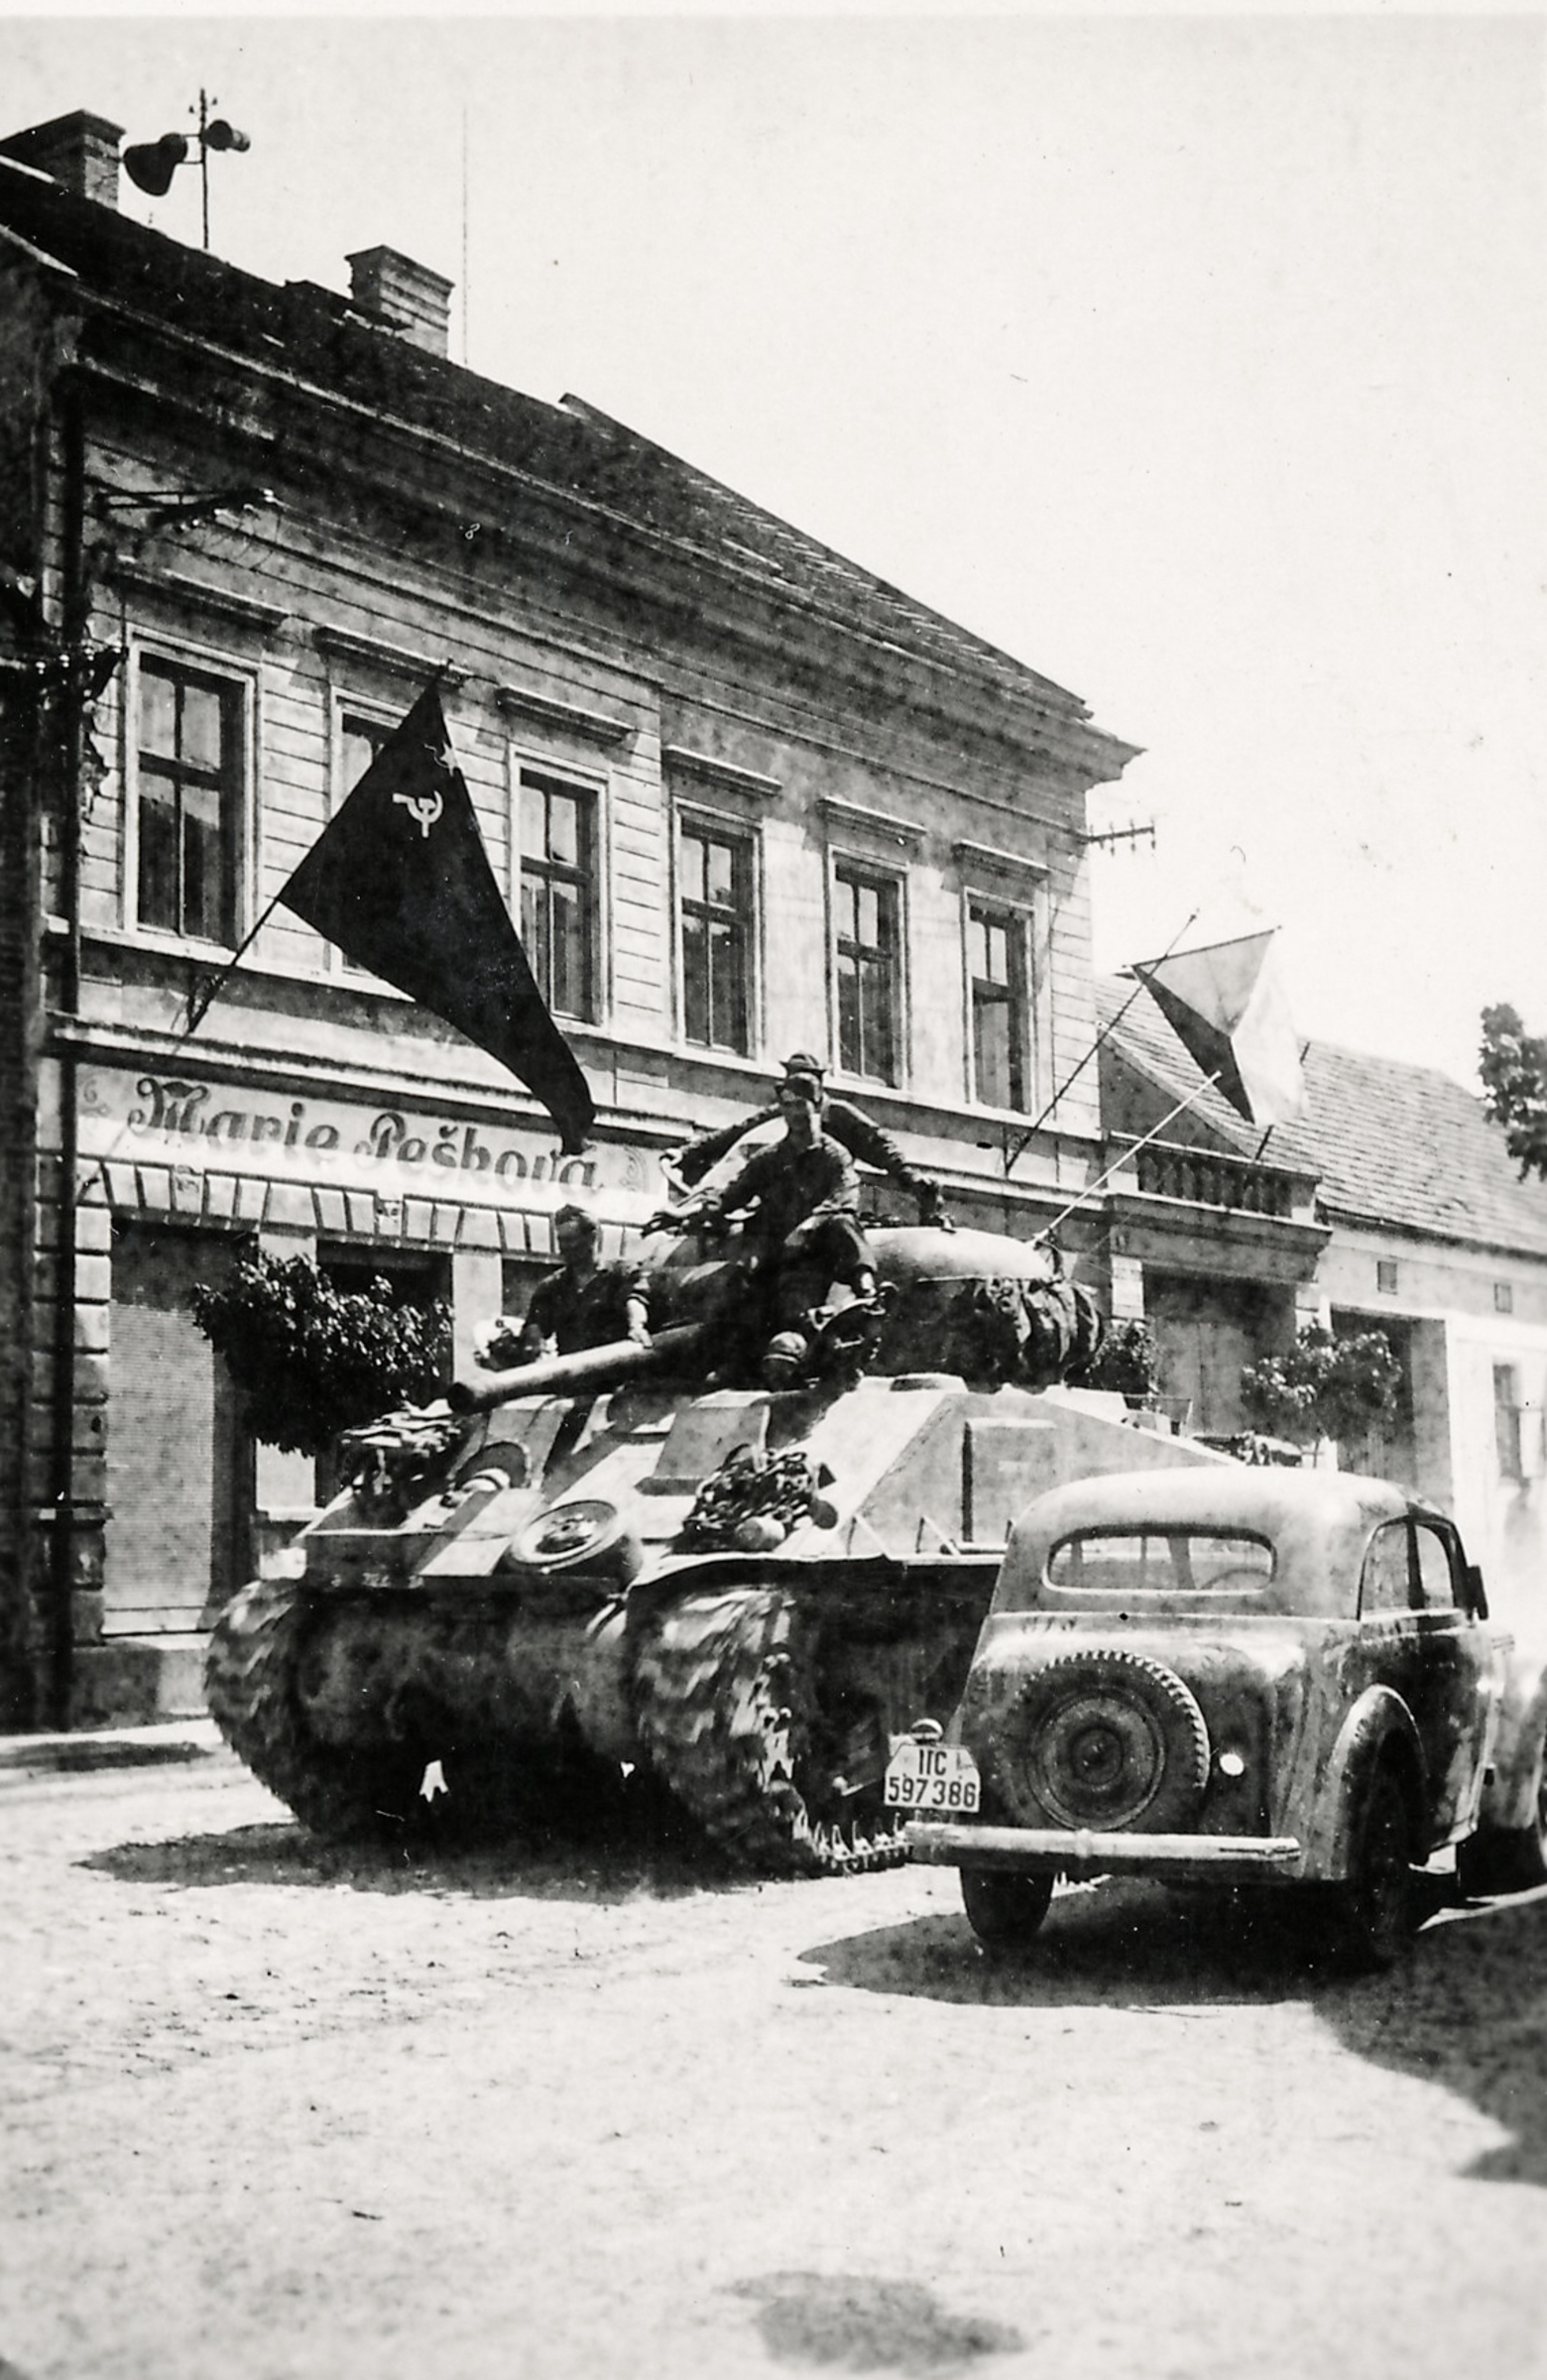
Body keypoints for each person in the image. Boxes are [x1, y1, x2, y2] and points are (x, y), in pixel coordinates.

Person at [681, 1070, 881, 1377]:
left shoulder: (834, 1155)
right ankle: (735, 1361)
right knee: (742, 1285)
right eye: (787, 1105)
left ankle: (866, 1288)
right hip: (779, 1254)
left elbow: (845, 1195)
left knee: (843, 1223)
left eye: (801, 1104)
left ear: (817, 1105)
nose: (794, 1113)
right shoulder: (770, 1158)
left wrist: (810, 1224)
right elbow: (731, 1196)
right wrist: (685, 1213)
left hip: (820, 1251)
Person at [666, 1051, 949, 1225]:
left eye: (804, 1089)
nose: (795, 1111)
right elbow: (739, 1131)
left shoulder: (840, 1116)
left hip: (828, 1204)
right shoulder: (780, 1114)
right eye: (791, 1089)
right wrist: (688, 1151)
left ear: (818, 1089)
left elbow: (880, 1147)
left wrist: (911, 1179)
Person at [475, 1204, 655, 1368]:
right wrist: (520, 1347)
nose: (564, 1248)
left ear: (592, 1237)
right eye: (561, 1240)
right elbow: (535, 1330)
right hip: (573, 1378)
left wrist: (637, 1326)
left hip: (616, 1372)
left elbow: (635, 1300)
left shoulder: (620, 1273)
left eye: (571, 1240)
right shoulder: (551, 1288)